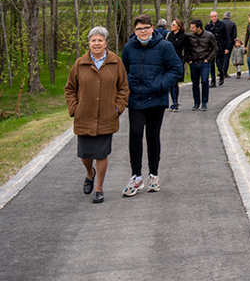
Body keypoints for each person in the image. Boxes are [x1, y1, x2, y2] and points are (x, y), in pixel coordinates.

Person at [65, 26, 129, 204]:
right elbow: (70, 88)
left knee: (101, 154)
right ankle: (89, 173)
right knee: (85, 154)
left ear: (106, 43)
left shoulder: (116, 63)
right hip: (84, 116)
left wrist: (117, 108)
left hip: (107, 117)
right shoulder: (80, 63)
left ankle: (99, 188)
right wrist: (74, 109)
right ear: (89, 43)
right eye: (93, 40)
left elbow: (124, 88)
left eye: (100, 40)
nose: (96, 43)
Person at [121, 14, 183, 197]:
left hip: (156, 99)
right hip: (136, 99)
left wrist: (161, 84)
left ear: (152, 28)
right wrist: (127, 86)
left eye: (146, 28)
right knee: (135, 134)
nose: (143, 31)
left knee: (152, 136)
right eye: (139, 28)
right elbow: (122, 71)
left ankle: (153, 175)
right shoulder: (128, 48)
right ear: (134, 30)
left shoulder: (164, 46)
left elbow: (177, 69)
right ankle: (136, 176)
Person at [187, 19, 217, 111]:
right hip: (194, 62)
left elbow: (214, 48)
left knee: (204, 81)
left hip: (204, 62)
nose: (191, 29)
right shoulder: (189, 36)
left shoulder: (209, 35)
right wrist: (189, 60)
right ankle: (196, 102)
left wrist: (208, 59)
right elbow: (186, 48)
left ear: (198, 28)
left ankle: (204, 102)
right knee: (195, 83)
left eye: (193, 27)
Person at [165, 18, 191, 111]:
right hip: (168, 61)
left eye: (173, 24)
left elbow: (188, 49)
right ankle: (173, 102)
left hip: (178, 60)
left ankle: (175, 103)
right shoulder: (168, 35)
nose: (171, 26)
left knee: (174, 82)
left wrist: (184, 59)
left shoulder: (184, 37)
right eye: (171, 24)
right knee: (170, 83)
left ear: (179, 27)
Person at [205, 11, 230, 87]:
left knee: (219, 64)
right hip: (210, 48)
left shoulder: (222, 25)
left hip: (220, 46)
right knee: (211, 65)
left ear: (217, 16)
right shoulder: (208, 26)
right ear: (210, 17)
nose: (214, 18)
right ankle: (213, 81)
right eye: (212, 17)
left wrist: (227, 47)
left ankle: (221, 75)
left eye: (215, 16)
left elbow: (226, 37)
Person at [221, 11, 237, 78]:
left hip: (220, 43)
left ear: (224, 16)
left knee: (220, 57)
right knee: (226, 57)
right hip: (229, 43)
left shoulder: (220, 23)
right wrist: (234, 43)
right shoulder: (232, 23)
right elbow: (234, 35)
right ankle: (224, 72)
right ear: (230, 17)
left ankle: (220, 71)